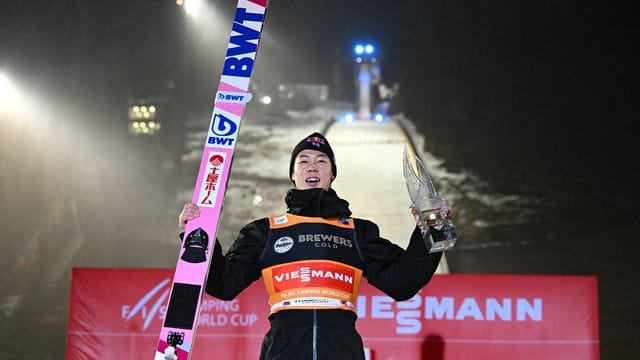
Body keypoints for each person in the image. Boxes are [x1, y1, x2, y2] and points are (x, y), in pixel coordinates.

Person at [178, 132, 447, 360]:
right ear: (293, 174)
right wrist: (198, 238)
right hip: (283, 351)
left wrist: (434, 229)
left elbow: (404, 282)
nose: (312, 167)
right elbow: (224, 285)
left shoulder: (357, 232)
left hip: (341, 350)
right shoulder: (265, 231)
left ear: (332, 174)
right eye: (303, 161)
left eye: (321, 161)